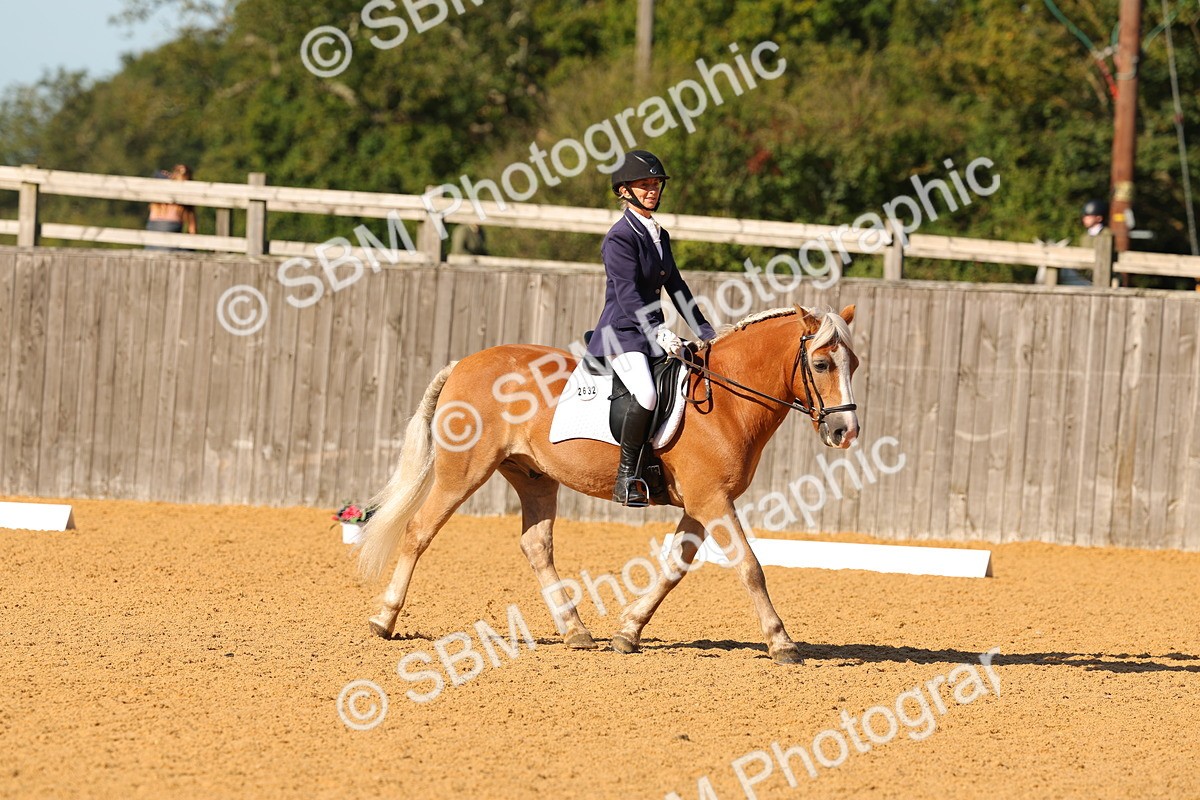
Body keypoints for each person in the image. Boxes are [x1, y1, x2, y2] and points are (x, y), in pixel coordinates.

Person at [585, 150, 716, 507]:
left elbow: (677, 287)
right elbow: (627, 294)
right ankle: (626, 476)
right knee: (646, 394)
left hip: (649, 334)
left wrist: (706, 332)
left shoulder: (659, 234)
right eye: (644, 185)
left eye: (656, 185)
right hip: (622, 333)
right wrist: (657, 329)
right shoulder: (619, 237)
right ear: (624, 190)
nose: (652, 191)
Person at [146, 164, 196, 250]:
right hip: (170, 250)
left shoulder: (159, 199)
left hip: (151, 248)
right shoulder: (184, 204)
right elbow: (192, 231)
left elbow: (157, 174)